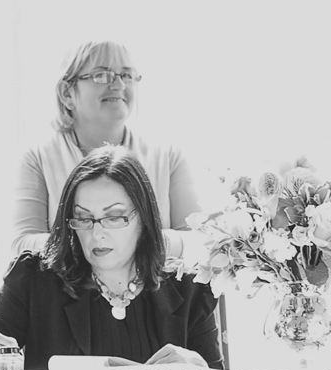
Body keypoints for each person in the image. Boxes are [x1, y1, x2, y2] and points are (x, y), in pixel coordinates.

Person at [0, 145, 223, 370]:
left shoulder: (191, 288)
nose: (97, 233)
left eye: (114, 217)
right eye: (84, 218)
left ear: (144, 219)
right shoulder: (32, 278)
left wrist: (200, 369)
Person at [11, 41, 200, 258]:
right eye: (102, 75)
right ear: (67, 93)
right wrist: (100, 242)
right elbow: (22, 245)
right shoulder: (38, 158)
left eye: (127, 75)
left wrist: (127, 242)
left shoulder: (168, 156)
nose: (119, 85)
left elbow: (198, 241)